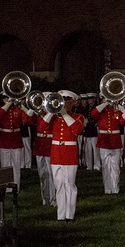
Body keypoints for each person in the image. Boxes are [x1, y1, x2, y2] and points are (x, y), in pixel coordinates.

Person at [45, 90, 85, 221]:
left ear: (73, 102)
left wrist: (64, 114)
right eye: (60, 99)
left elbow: (77, 130)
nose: (62, 103)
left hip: (69, 154)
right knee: (59, 185)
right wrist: (51, 112)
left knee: (70, 184)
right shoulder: (54, 117)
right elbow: (42, 127)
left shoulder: (78, 116)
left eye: (66, 100)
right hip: (56, 154)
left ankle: (70, 214)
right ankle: (61, 214)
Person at [92, 92, 125, 194]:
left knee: (115, 166)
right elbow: (93, 113)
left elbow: (124, 121)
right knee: (105, 166)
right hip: (104, 141)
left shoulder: (117, 111)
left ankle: (115, 188)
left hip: (115, 140)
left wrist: (117, 105)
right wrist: (105, 103)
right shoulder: (101, 111)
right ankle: (107, 188)